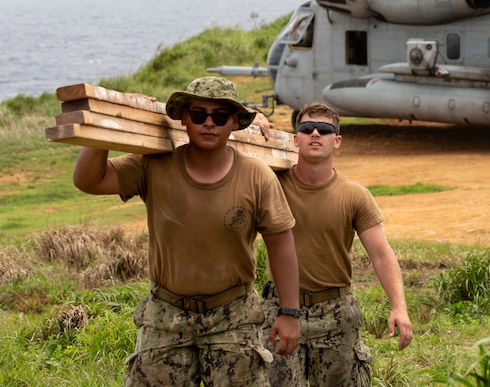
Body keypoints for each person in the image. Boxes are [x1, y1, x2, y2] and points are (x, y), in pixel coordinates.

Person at [72, 76, 301, 386]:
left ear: (234, 122)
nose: (209, 123)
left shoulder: (256, 175)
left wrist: (289, 312)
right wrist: (108, 124)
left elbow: (281, 243)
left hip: (232, 316)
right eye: (198, 115)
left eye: (219, 117)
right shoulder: (153, 165)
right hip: (167, 316)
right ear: (183, 119)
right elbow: (89, 180)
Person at [258, 102, 413, 387]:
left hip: (335, 313)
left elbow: (381, 254)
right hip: (281, 309)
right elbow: (231, 151)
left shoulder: (355, 195)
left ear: (337, 140)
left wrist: (399, 307)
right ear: (295, 139)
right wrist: (252, 121)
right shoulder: (271, 185)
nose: (315, 133)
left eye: (325, 129)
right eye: (306, 128)